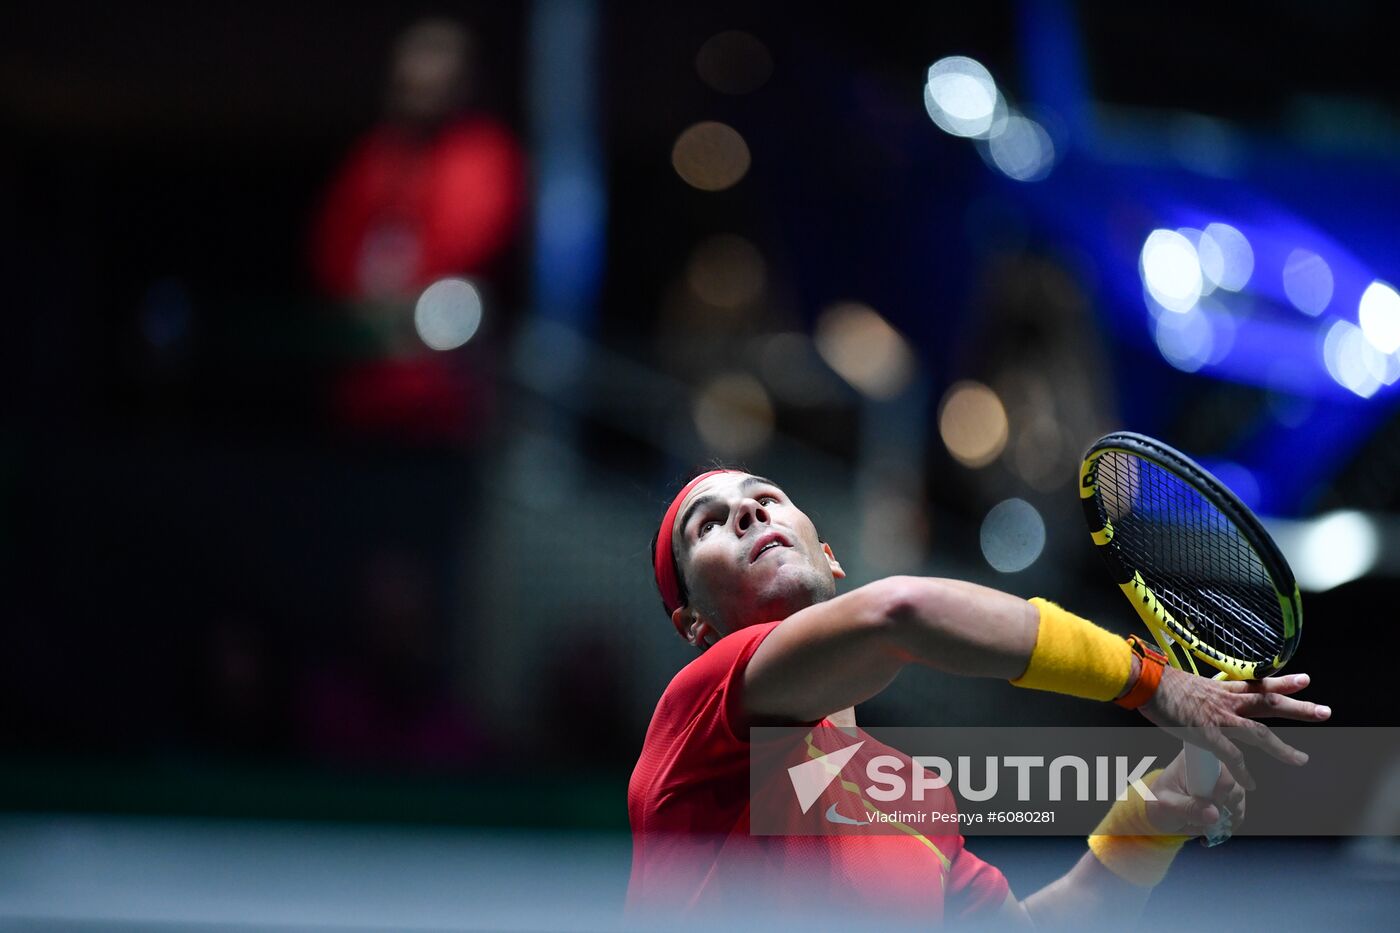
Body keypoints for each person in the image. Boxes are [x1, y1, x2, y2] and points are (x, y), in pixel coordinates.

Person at [627, 469, 1332, 925]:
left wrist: (1148, 825)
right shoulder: (698, 717)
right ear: (695, 626)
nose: (748, 510)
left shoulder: (914, 795)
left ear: (830, 557)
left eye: (768, 496)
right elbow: (900, 614)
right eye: (708, 523)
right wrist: (1151, 680)